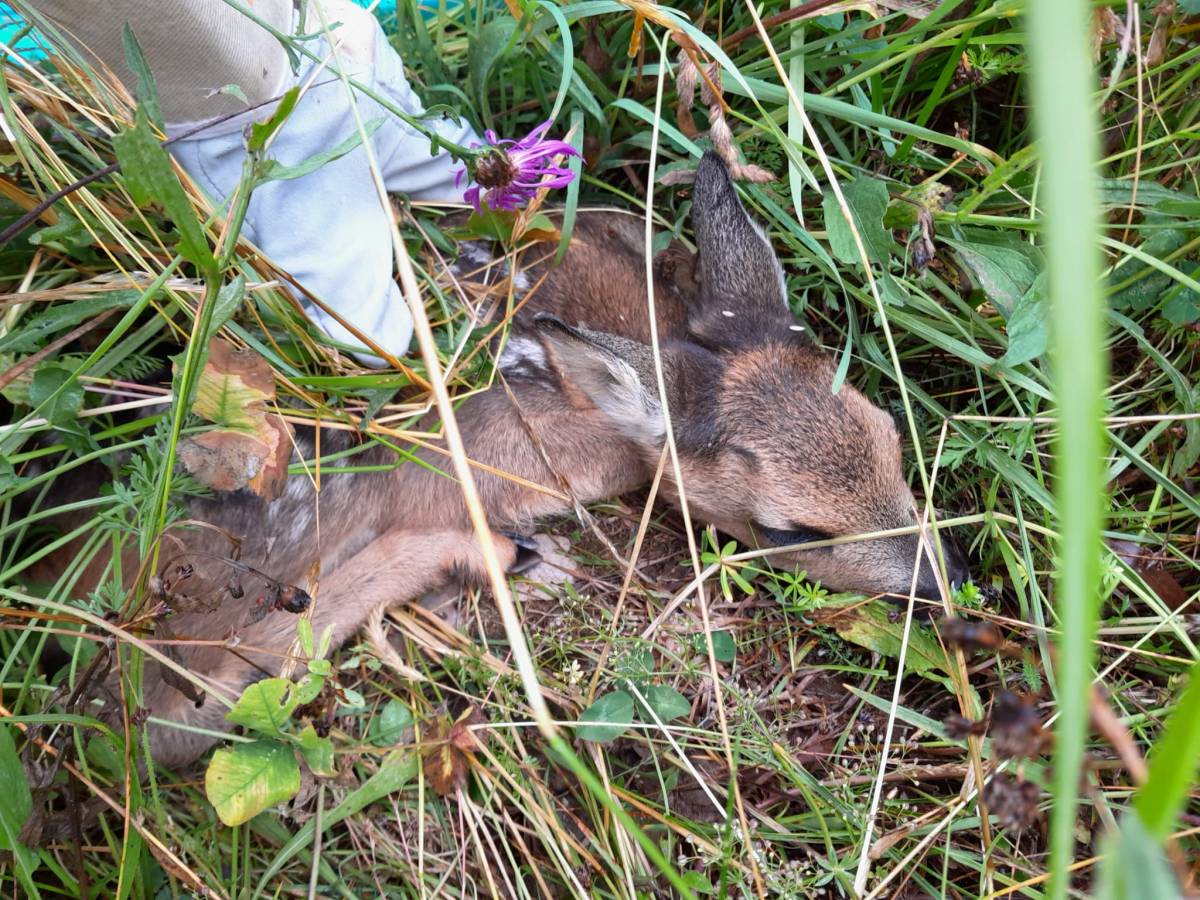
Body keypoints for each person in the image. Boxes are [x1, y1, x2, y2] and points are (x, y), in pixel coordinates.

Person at [21, 0, 479, 365]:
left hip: (296, 60)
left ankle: (330, 83)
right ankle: (303, 106)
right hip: (246, 113)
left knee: (365, 335)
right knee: (367, 339)